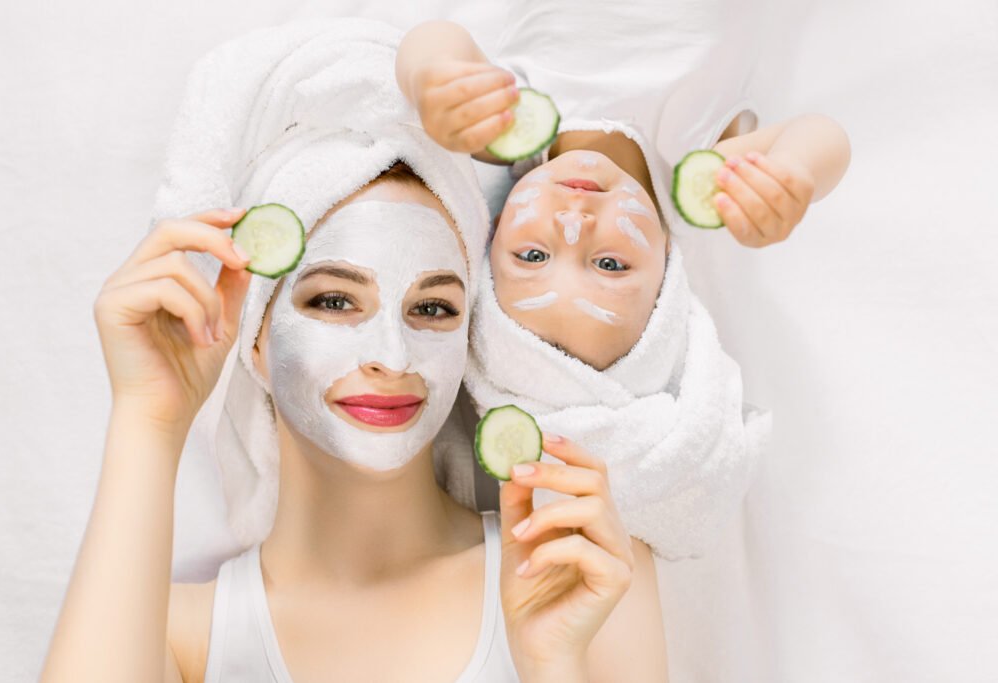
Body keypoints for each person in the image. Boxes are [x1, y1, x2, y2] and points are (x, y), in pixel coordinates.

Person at [40, 19, 667, 682]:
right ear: (253, 335)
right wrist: (149, 419)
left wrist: (553, 664)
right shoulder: (175, 634)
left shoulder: (583, 574)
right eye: (334, 300)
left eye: (433, 308)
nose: (391, 356)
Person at [394, 14, 851, 558]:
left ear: (492, 241)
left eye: (534, 254)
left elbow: (433, 36)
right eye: (609, 264)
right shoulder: (695, 178)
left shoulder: (507, 134)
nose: (575, 224)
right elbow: (825, 135)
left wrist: (434, 80)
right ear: (665, 277)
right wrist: (789, 178)